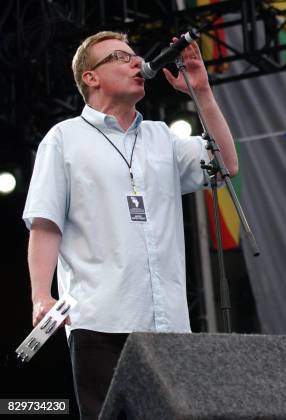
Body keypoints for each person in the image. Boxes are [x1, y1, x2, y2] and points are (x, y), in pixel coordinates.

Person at [23, 31, 237, 419]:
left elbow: (226, 166)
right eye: (121, 57)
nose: (137, 62)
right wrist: (41, 295)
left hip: (169, 324)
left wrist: (202, 92)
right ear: (91, 77)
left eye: (136, 56)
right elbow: (45, 223)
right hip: (100, 321)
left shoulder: (162, 137)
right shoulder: (64, 139)